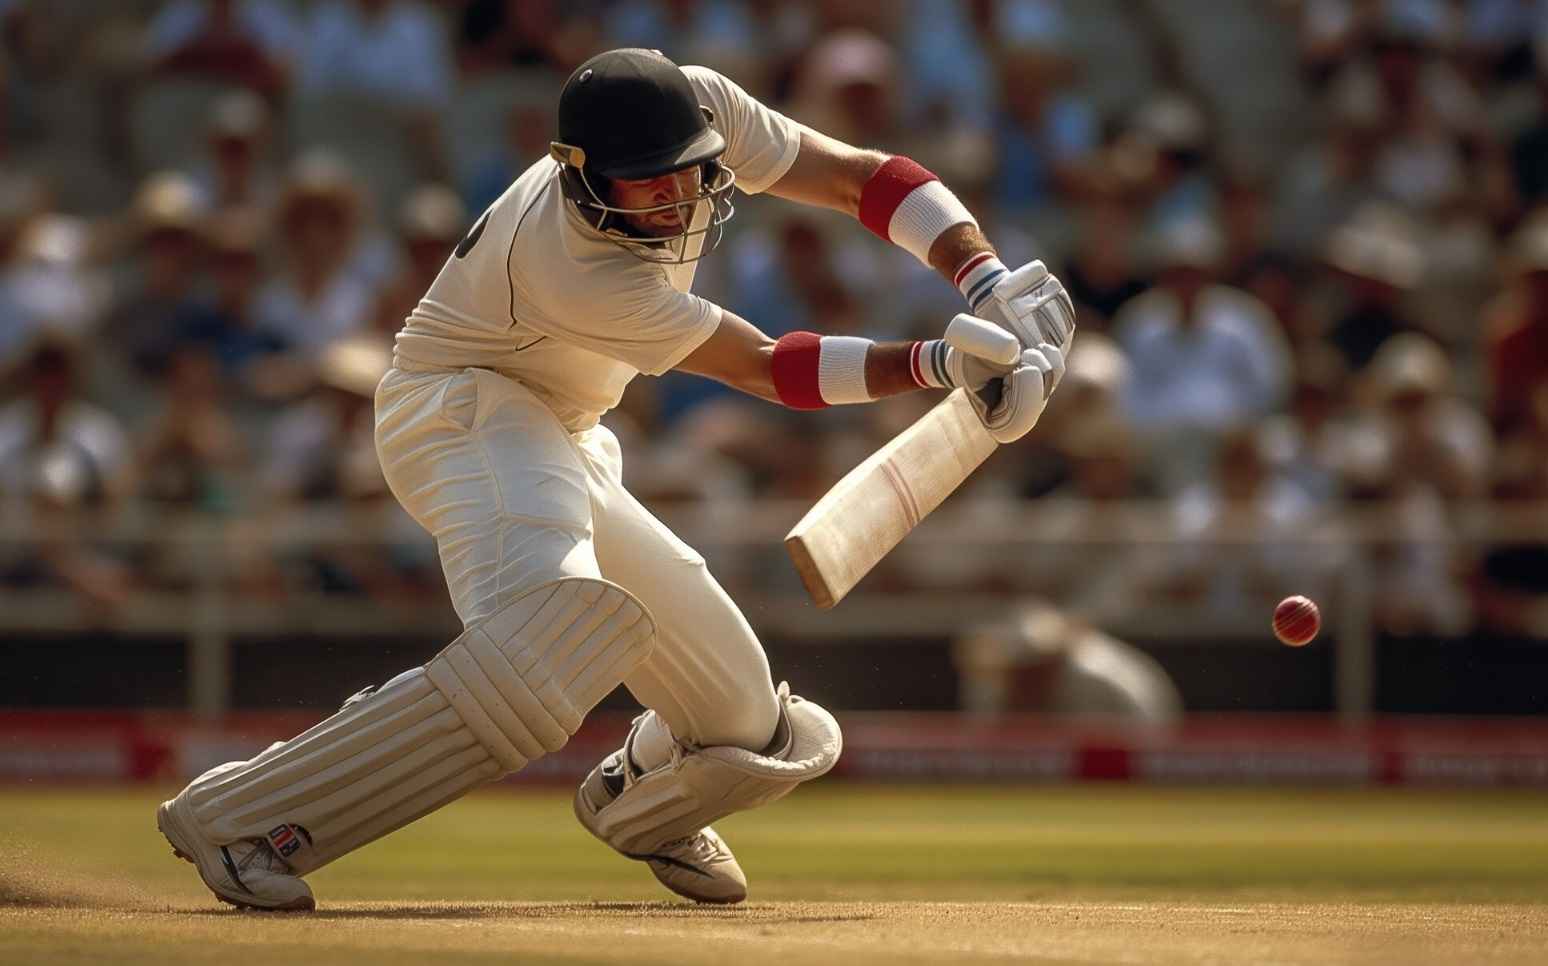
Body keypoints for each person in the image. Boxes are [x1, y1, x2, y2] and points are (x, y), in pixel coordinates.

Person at [156, 48, 1075, 911]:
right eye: (649, 183)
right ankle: (242, 821)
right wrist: (934, 367)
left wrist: (982, 277)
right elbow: (764, 367)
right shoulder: (568, 263)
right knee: (547, 638)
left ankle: (642, 797)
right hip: (460, 411)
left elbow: (859, 176)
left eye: (689, 173)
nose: (679, 200)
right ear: (584, 179)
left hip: (568, 432)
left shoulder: (700, 107)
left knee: (742, 721)